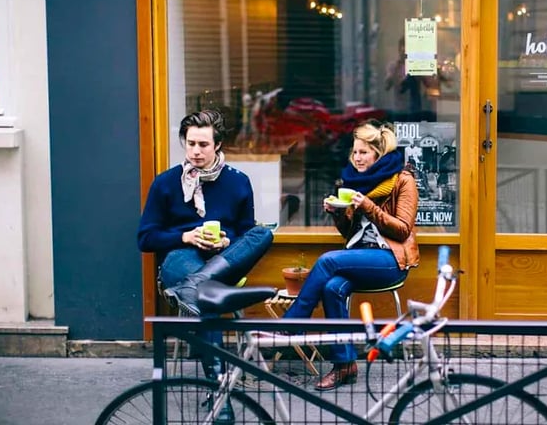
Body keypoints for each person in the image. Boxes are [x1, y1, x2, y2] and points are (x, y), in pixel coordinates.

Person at [282, 120, 420, 391]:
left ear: (378, 155)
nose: (357, 158)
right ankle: (344, 365)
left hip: (391, 261)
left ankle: (293, 322)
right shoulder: (355, 181)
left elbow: (403, 230)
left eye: (364, 153)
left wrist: (368, 206)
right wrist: (338, 214)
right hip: (362, 256)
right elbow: (350, 235)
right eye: (354, 152)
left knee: (327, 260)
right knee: (333, 287)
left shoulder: (403, 180)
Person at [138, 109, 273, 317]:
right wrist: (186, 237)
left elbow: (245, 235)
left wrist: (225, 243)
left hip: (225, 260)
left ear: (217, 145)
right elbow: (145, 239)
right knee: (207, 294)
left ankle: (193, 286)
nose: (195, 151)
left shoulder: (238, 181)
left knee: (262, 234)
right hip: (180, 258)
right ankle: (198, 292)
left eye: (203, 145)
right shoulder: (165, 182)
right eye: (191, 144)